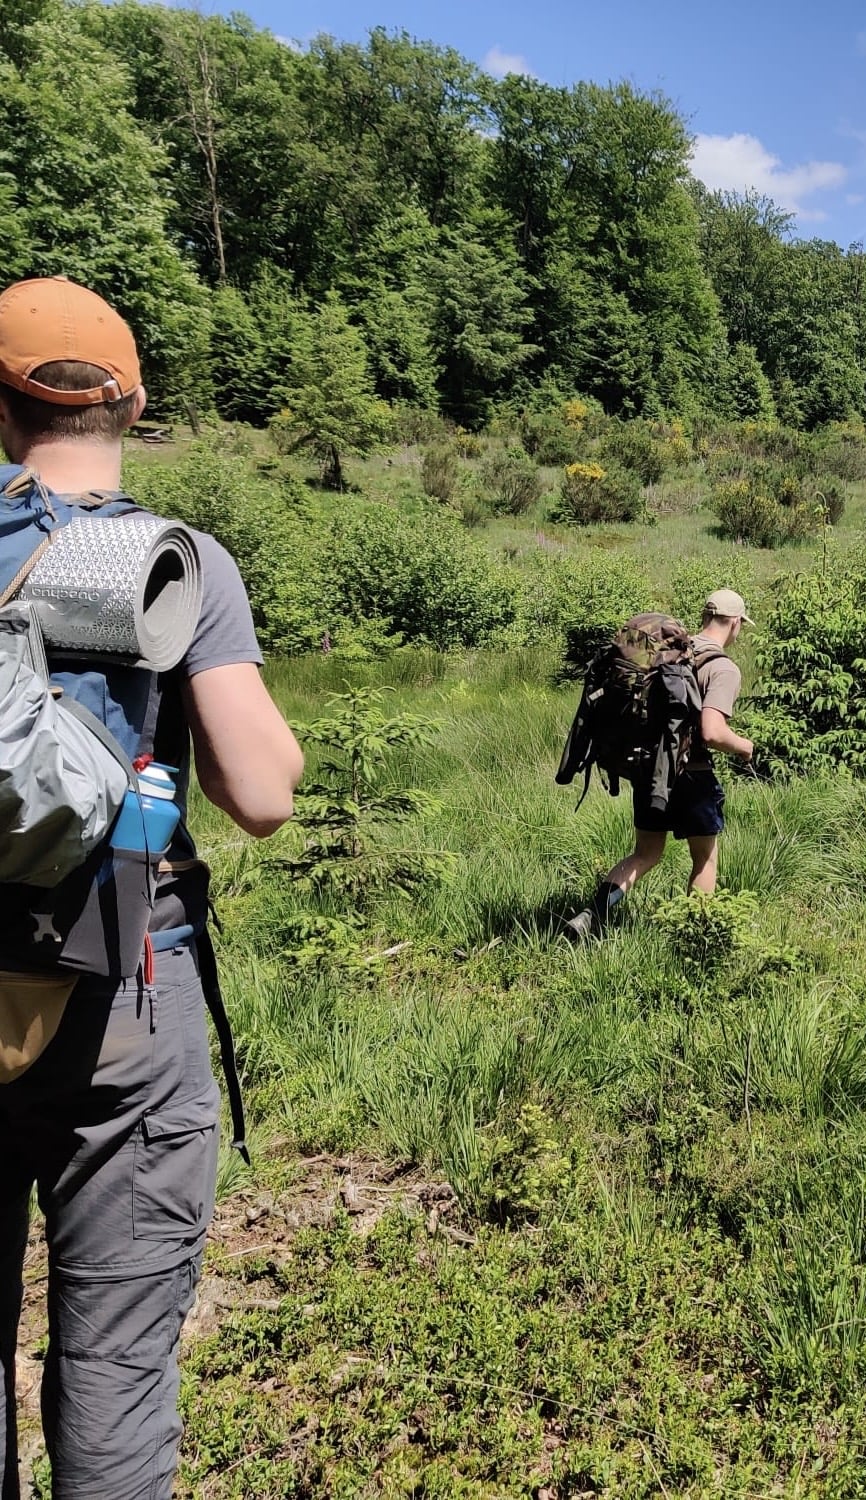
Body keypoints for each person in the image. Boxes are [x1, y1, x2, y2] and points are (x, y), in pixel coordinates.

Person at [0, 277, 303, 1500]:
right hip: (120, 985)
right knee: (116, 1365)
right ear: (131, 403)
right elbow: (265, 790)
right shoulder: (171, 558)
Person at [573, 589, 754, 932]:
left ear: (705, 617)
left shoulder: (669, 652)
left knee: (645, 854)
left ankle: (593, 914)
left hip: (650, 771)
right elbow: (713, 731)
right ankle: (693, 935)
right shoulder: (722, 668)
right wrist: (744, 746)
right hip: (692, 775)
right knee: (704, 858)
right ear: (734, 623)